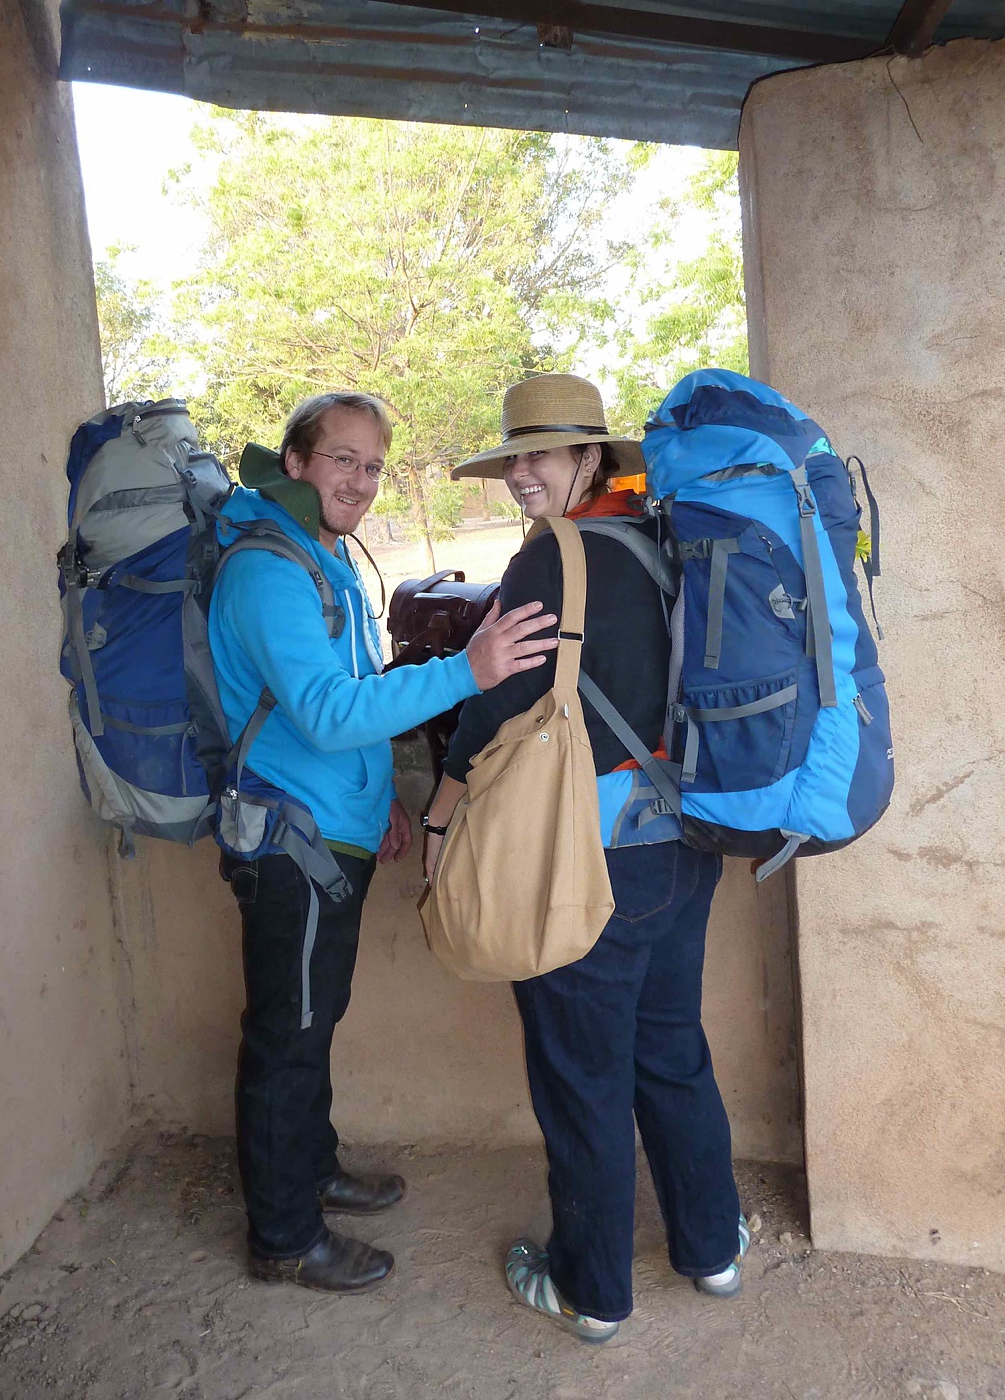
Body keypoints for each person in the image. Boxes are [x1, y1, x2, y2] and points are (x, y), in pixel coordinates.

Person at [207, 390, 559, 1295]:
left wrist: (378, 804)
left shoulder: (317, 552)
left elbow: (348, 691)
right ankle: (283, 1234)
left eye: (372, 465)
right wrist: (467, 670)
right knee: (286, 1033)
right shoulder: (268, 570)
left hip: (333, 827)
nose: (360, 481)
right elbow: (328, 713)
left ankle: (312, 1167)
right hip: (290, 841)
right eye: (342, 459)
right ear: (295, 462)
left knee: (313, 1015)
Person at [422, 372, 746, 1343]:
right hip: (682, 846)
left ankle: (591, 1292)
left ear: (590, 458)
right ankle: (713, 1249)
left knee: (583, 1078)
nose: (522, 473)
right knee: (672, 1051)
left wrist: (438, 817)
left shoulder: (548, 560)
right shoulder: (659, 541)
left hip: (588, 861)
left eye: (542, 455)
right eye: (514, 457)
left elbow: (495, 706)